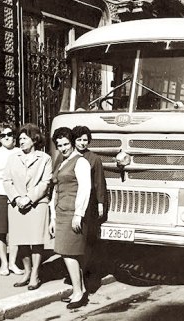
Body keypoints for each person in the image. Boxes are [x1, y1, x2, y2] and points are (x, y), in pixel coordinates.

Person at [3, 123, 52, 290]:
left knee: (36, 240)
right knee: (21, 240)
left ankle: (36, 275)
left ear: (34, 139)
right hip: (17, 205)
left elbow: (46, 183)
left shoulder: (45, 158)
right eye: (20, 138)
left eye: (24, 138)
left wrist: (29, 198)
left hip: (37, 204)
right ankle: (26, 272)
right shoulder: (13, 158)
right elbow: (7, 181)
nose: (21, 141)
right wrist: (17, 198)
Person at [50, 127, 91, 309]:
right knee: (67, 253)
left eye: (66, 144)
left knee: (69, 253)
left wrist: (78, 214)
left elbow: (85, 188)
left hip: (72, 213)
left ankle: (78, 293)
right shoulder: (62, 162)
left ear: (72, 142)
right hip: (61, 212)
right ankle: (78, 290)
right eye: (59, 145)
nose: (63, 148)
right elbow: (56, 190)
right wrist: (52, 217)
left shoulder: (80, 162)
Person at [72, 125, 107, 292]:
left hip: (90, 204)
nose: (82, 143)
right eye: (79, 140)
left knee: (88, 241)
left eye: (85, 140)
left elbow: (100, 182)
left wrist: (100, 203)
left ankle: (88, 274)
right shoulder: (69, 156)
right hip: (73, 203)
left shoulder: (94, 158)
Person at [0, 123, 23, 276]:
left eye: (9, 134)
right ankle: (4, 263)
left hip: (17, 195)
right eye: (3, 136)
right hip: (1, 194)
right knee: (0, 232)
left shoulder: (20, 152)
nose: (7, 137)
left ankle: (13, 262)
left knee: (16, 231)